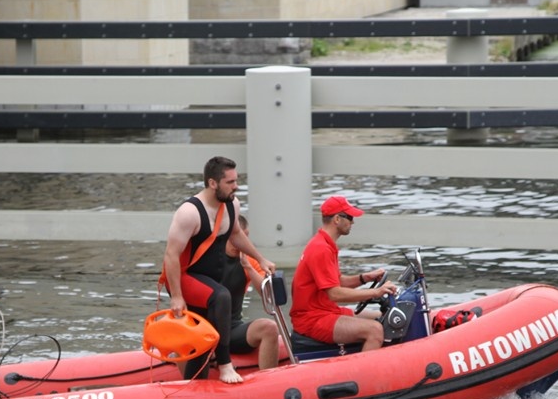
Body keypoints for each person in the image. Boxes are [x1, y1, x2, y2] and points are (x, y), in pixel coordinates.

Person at [162, 156, 276, 383]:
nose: (236, 186)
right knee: (221, 296)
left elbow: (236, 234)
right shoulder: (189, 213)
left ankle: (197, 388)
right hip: (186, 278)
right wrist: (176, 296)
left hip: (209, 282)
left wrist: (260, 259)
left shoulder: (232, 204)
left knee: (202, 339)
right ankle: (225, 365)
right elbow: (170, 255)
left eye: (236, 180)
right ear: (213, 183)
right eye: (230, 182)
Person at [290, 195, 396, 352]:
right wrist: (375, 292)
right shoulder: (321, 249)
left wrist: (364, 278)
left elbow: (336, 281)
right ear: (337, 219)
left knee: (380, 317)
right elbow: (335, 294)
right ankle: (366, 375)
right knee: (375, 330)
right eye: (350, 217)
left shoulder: (325, 243)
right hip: (313, 319)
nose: (352, 222)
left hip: (325, 311)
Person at [222, 215, 280, 371]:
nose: (240, 244)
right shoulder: (209, 259)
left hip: (233, 328)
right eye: (236, 238)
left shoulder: (248, 261)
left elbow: (269, 296)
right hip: (206, 331)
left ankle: (269, 383)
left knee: (269, 328)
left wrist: (248, 267)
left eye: (245, 238)